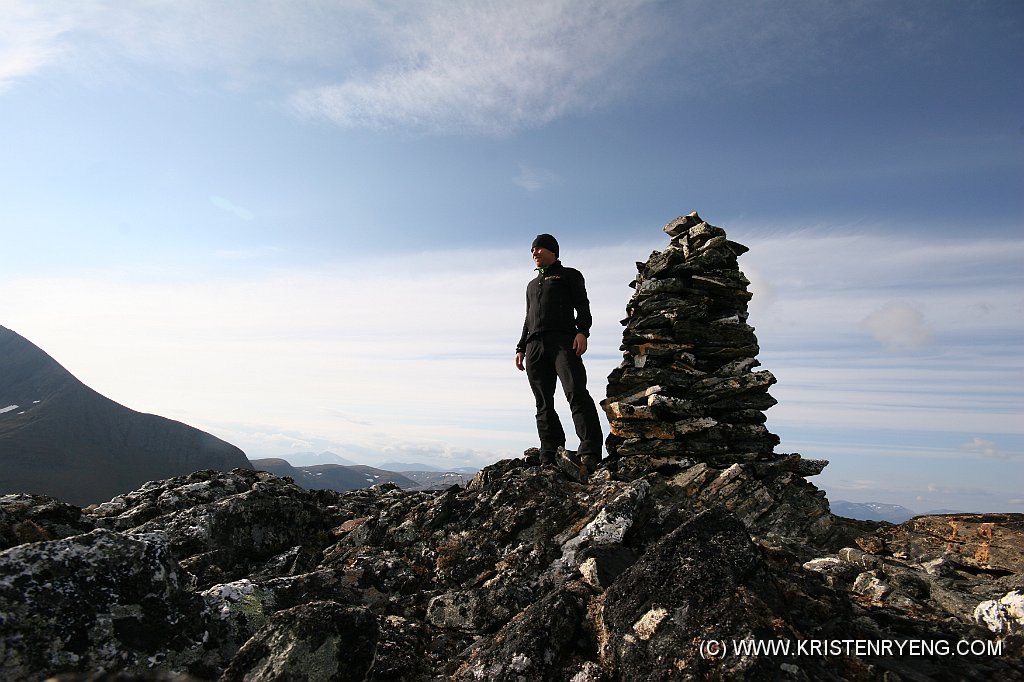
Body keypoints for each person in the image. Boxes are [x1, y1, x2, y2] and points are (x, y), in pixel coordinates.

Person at [515, 234, 604, 475]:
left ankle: (590, 450)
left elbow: (583, 305)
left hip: (563, 341)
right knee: (543, 402)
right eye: (532, 250)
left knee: (575, 391)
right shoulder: (531, 285)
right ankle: (550, 452)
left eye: (539, 248)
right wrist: (521, 347)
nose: (534, 253)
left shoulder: (569, 275)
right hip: (534, 346)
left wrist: (583, 332)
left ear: (553, 251)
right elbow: (528, 317)